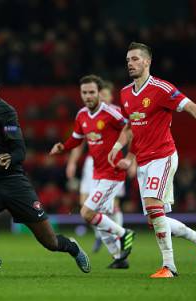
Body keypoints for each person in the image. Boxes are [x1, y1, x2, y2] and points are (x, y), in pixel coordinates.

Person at [0, 71, 91, 273]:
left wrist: (10, 157)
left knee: (50, 242)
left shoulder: (6, 113)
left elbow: (20, 150)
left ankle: (72, 247)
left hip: (14, 184)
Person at [108, 42, 196, 278]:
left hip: (163, 156)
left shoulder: (161, 88)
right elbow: (132, 126)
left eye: (135, 59)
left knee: (153, 208)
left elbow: (191, 106)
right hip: (143, 160)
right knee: (155, 219)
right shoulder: (126, 93)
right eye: (128, 59)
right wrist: (121, 149)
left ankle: (169, 267)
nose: (130, 63)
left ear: (147, 61)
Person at [50, 75, 135, 269]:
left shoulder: (112, 113)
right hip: (97, 173)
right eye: (84, 92)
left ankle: (124, 234)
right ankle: (119, 257)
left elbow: (132, 129)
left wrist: (131, 158)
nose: (88, 96)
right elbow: (76, 138)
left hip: (113, 173)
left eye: (92, 92)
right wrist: (63, 147)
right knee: (98, 218)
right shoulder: (81, 115)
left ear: (99, 93)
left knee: (87, 212)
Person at [66, 80, 125, 253]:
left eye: (104, 95)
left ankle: (118, 241)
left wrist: (131, 159)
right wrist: (71, 162)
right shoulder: (85, 115)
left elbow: (130, 132)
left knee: (111, 206)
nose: (101, 98)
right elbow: (79, 141)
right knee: (85, 204)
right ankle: (107, 237)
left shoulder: (115, 113)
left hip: (112, 162)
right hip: (92, 163)